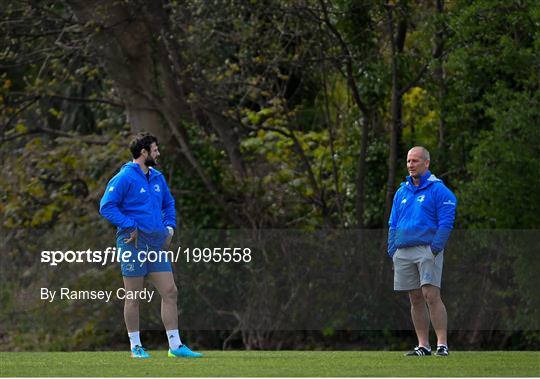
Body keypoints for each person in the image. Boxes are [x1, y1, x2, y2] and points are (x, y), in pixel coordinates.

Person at [100, 132, 202, 359]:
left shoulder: (157, 177)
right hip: (132, 243)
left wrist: (170, 229)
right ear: (143, 152)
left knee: (170, 291)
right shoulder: (124, 177)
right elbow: (107, 206)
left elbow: (169, 204)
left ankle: (175, 346)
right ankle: (135, 346)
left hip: (156, 244)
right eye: (155, 150)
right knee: (133, 296)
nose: (158, 153)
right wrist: (129, 225)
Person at [387, 146, 457, 356]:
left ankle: (442, 345)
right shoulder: (402, 191)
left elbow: (446, 223)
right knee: (415, 298)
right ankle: (423, 345)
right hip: (403, 250)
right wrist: (393, 249)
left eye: (415, 161)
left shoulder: (439, 190)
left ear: (426, 163)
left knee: (431, 295)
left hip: (427, 250)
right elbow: (393, 222)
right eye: (409, 161)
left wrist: (434, 249)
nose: (411, 165)